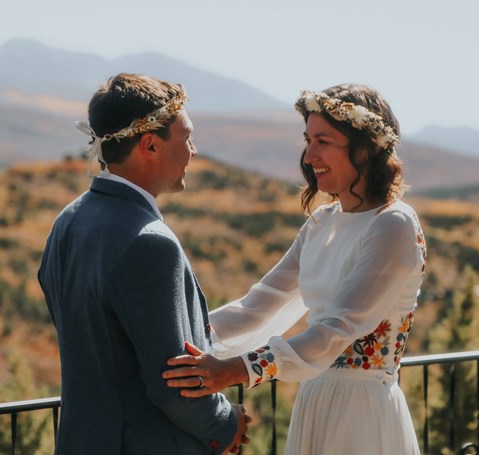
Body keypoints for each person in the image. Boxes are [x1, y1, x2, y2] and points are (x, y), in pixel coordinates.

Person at [163, 83, 427, 454]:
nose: (308, 155)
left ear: (365, 148)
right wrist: (177, 340)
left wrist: (237, 369)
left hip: (362, 413)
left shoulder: (393, 224)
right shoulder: (322, 222)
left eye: (323, 141)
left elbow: (338, 328)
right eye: (308, 139)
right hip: (315, 399)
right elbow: (260, 305)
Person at [38, 73, 250, 455]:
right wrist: (225, 424)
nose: (194, 151)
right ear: (150, 144)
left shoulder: (67, 222)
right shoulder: (149, 241)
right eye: (186, 138)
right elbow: (174, 379)